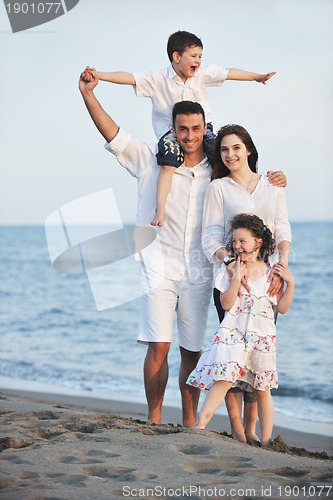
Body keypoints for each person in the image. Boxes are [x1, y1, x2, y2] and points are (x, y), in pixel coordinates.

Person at [78, 73, 285, 429]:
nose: (189, 136)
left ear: (205, 128)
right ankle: (154, 419)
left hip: (201, 274)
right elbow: (113, 134)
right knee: (158, 346)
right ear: (173, 129)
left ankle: (190, 423)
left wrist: (273, 178)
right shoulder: (152, 163)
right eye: (182, 129)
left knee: (191, 350)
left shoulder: (217, 173)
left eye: (195, 128)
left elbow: (249, 187)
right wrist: (88, 95)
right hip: (158, 266)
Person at [80, 30, 276, 227]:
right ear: (176, 56)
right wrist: (99, 75)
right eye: (193, 56)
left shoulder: (202, 74)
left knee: (224, 160)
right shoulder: (157, 78)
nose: (198, 61)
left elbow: (230, 73)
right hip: (169, 135)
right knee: (168, 165)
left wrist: (257, 77)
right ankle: (161, 209)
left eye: (200, 56)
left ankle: (245, 197)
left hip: (206, 131)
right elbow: (129, 78)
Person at [201, 124, 291, 443]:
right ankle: (237, 430)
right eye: (224, 149)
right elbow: (210, 235)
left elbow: (282, 228)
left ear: (248, 150)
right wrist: (231, 263)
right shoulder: (218, 188)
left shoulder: (271, 184)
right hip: (231, 282)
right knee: (230, 358)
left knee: (257, 356)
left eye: (236, 148)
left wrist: (283, 266)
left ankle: (253, 432)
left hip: (265, 283)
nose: (230, 154)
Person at [187, 213, 295, 445]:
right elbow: (226, 304)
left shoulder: (271, 275)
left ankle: (266, 440)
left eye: (242, 241)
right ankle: (200, 425)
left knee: (262, 389)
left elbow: (283, 308)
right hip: (234, 336)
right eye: (234, 241)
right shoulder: (230, 271)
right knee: (224, 379)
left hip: (261, 340)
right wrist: (236, 277)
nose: (237, 246)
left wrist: (291, 283)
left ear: (258, 242)